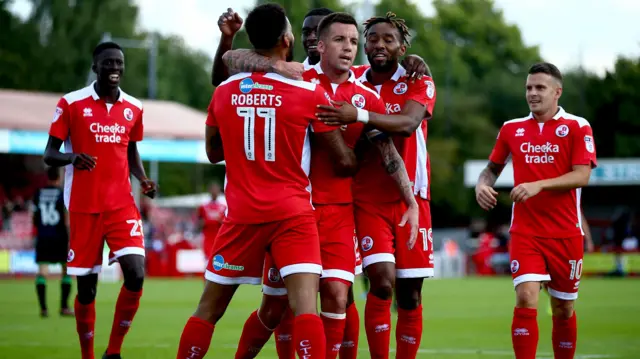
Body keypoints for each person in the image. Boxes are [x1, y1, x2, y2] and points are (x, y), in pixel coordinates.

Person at [227, 12, 418, 359]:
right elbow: (231, 58)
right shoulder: (295, 79)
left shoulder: (364, 98)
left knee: (335, 293)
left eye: (353, 42)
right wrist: (275, 66)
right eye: (339, 40)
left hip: (338, 213)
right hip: (291, 211)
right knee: (274, 307)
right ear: (319, 44)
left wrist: (412, 202)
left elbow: (388, 152)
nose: (348, 48)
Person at [174, 4, 355, 358]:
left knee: (208, 310)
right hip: (293, 215)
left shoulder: (224, 92)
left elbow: (213, 153)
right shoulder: (308, 94)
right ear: (288, 40)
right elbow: (343, 161)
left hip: (241, 214)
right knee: (305, 309)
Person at [314, 12, 437, 359]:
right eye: (372, 39)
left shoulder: (419, 80)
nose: (378, 45)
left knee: (410, 295)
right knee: (381, 284)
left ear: (402, 46)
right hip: (366, 197)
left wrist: (360, 116)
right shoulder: (353, 79)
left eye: (388, 39)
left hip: (412, 196)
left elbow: (409, 124)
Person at [475, 62, 597, 359]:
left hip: (565, 234)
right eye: (529, 87)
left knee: (563, 307)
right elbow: (491, 169)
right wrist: (482, 184)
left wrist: (539, 185)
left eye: (540, 87)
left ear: (557, 92)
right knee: (526, 296)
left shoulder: (577, 126)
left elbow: (582, 175)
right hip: (525, 232)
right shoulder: (511, 129)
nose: (532, 93)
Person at [43, 41, 157, 359]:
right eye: (108, 63)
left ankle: (114, 352)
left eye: (119, 63)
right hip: (84, 207)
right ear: (95, 67)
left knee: (136, 274)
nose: (115, 69)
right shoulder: (71, 103)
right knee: (87, 289)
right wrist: (73, 157)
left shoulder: (134, 108)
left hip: (122, 205)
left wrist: (143, 179)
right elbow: (49, 154)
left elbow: (131, 150)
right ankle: (88, 355)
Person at [32, 166, 74, 318]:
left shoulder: (38, 193)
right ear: (59, 177)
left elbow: (34, 217)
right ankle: (64, 307)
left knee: (42, 272)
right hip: (60, 237)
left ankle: (43, 309)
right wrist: (70, 238)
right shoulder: (62, 194)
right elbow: (66, 218)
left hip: (43, 236)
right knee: (66, 271)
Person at [196, 183, 226, 261]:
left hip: (218, 237)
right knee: (207, 260)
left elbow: (225, 223)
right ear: (209, 191)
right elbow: (199, 222)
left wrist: (219, 221)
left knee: (218, 260)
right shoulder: (204, 207)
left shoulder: (223, 207)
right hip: (207, 237)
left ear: (219, 191)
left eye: (216, 190)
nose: (214, 192)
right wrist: (203, 223)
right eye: (212, 189)